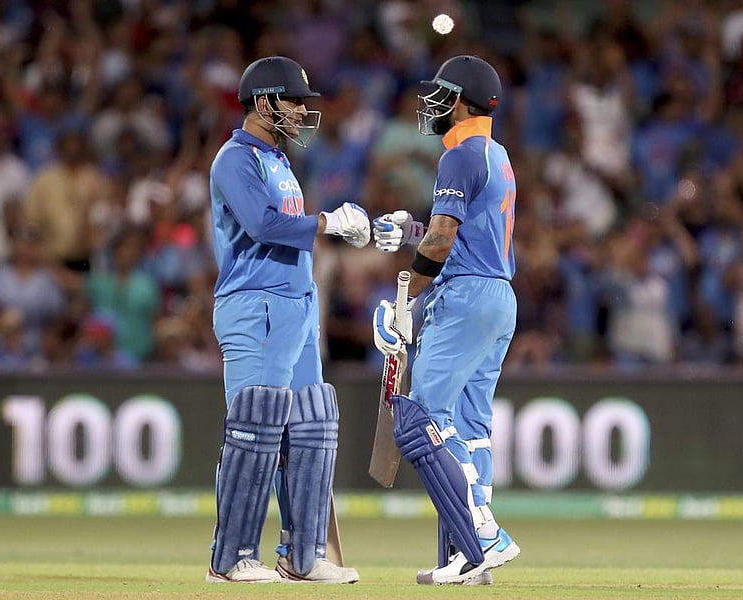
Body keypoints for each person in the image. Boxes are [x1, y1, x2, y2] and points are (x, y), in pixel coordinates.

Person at [205, 56, 367, 585]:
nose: (301, 110)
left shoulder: (278, 160)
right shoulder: (235, 159)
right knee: (255, 427)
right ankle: (229, 559)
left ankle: (303, 555)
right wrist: (327, 222)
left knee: (311, 427)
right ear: (263, 101)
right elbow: (261, 224)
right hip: (255, 305)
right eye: (293, 100)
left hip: (297, 305)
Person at [371, 55, 520, 585]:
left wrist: (404, 297)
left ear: (458, 100)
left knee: (423, 420)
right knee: (470, 426)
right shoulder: (497, 155)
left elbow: (443, 240)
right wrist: (409, 229)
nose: (432, 104)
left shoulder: (459, 154)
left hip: (465, 297)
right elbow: (463, 232)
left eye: (439, 94)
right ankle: (470, 551)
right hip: (498, 296)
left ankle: (481, 536)